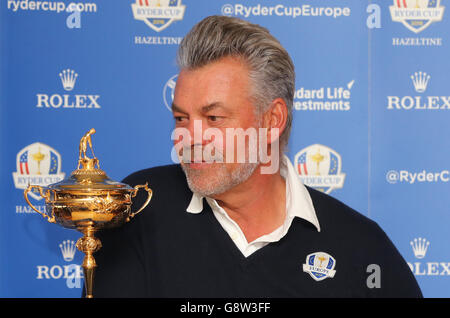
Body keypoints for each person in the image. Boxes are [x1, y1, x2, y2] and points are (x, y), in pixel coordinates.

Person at [90, 15, 422, 298]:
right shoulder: (138, 208)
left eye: (213, 118)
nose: (188, 139)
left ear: (271, 120)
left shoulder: (362, 248)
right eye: (181, 118)